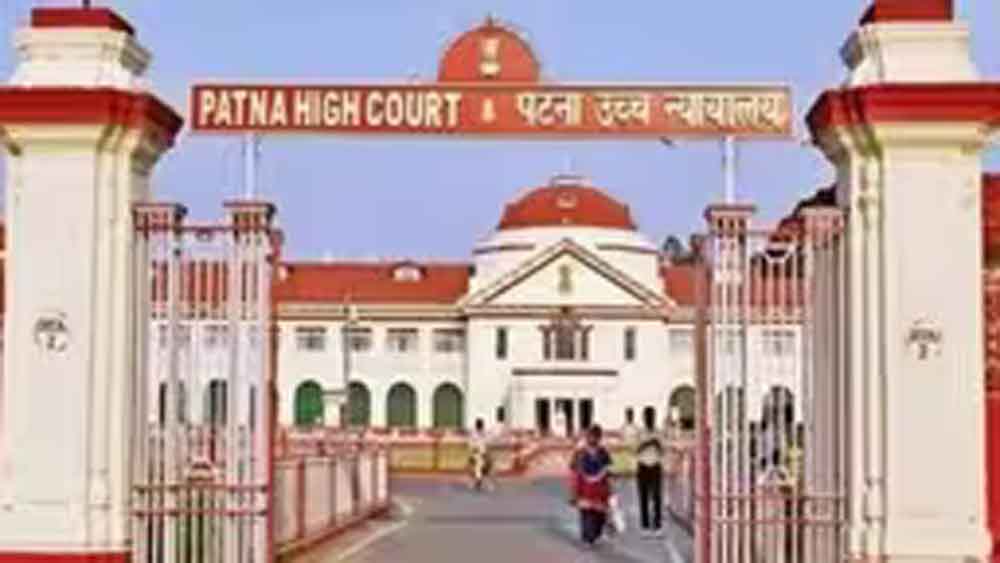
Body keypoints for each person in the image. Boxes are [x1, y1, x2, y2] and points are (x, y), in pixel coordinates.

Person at [570, 424, 614, 547]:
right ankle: (587, 538)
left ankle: (596, 534)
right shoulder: (580, 452)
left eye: (595, 437)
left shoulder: (603, 452)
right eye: (590, 436)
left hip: (600, 487)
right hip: (584, 486)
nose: (592, 439)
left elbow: (609, 467)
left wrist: (609, 484)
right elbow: (573, 468)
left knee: (600, 514)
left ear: (599, 438)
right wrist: (574, 489)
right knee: (586, 512)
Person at [635, 417, 665, 537]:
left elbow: (662, 450)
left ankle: (658, 526)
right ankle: (645, 526)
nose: (649, 419)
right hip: (643, 465)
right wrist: (647, 443)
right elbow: (636, 450)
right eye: (648, 416)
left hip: (655, 465)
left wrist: (657, 443)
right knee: (643, 497)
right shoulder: (640, 432)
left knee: (657, 496)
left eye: (651, 415)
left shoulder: (658, 432)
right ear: (644, 418)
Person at [469, 418, 493, 491]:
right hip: (478, 453)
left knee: (482, 469)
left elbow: (486, 442)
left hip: (481, 453)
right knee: (478, 468)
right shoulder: (475, 433)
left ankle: (481, 483)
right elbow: (472, 443)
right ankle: (479, 483)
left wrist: (485, 452)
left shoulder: (483, 432)